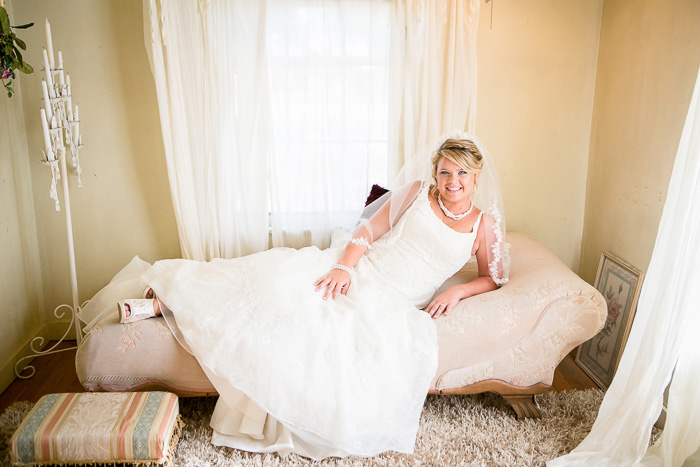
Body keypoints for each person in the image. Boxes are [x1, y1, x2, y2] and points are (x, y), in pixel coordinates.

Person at [109, 132, 509, 460]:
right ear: (435, 172)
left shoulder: (483, 226)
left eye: (461, 174)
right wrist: (344, 267)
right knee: (269, 283)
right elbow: (368, 230)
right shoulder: (420, 193)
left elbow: (492, 277)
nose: (451, 181)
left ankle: (170, 305)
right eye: (445, 172)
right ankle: (165, 300)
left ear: (476, 178)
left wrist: (459, 290)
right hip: (358, 271)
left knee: (316, 331)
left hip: (395, 303)